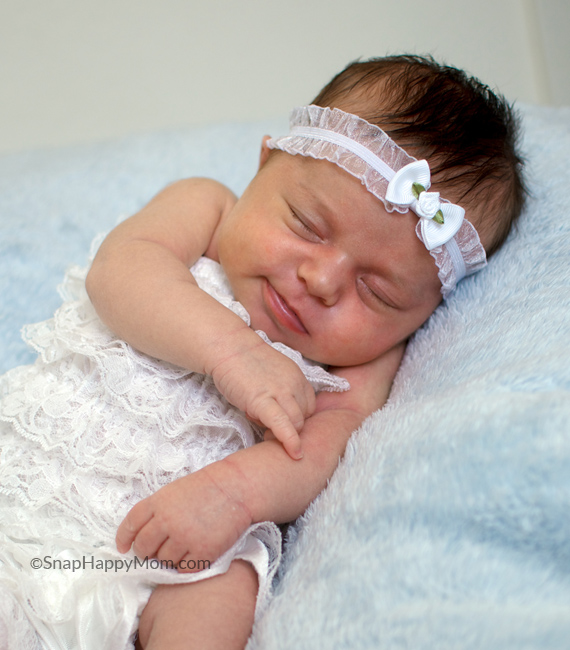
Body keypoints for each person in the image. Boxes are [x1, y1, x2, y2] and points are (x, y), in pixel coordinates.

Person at [0, 55, 525, 650]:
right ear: (263, 165)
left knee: (222, 585)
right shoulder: (206, 210)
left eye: (377, 291)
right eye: (307, 224)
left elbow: (324, 449)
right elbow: (120, 272)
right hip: (32, 498)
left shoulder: (361, 362)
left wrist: (232, 496)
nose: (322, 280)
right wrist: (233, 353)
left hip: (184, 539)